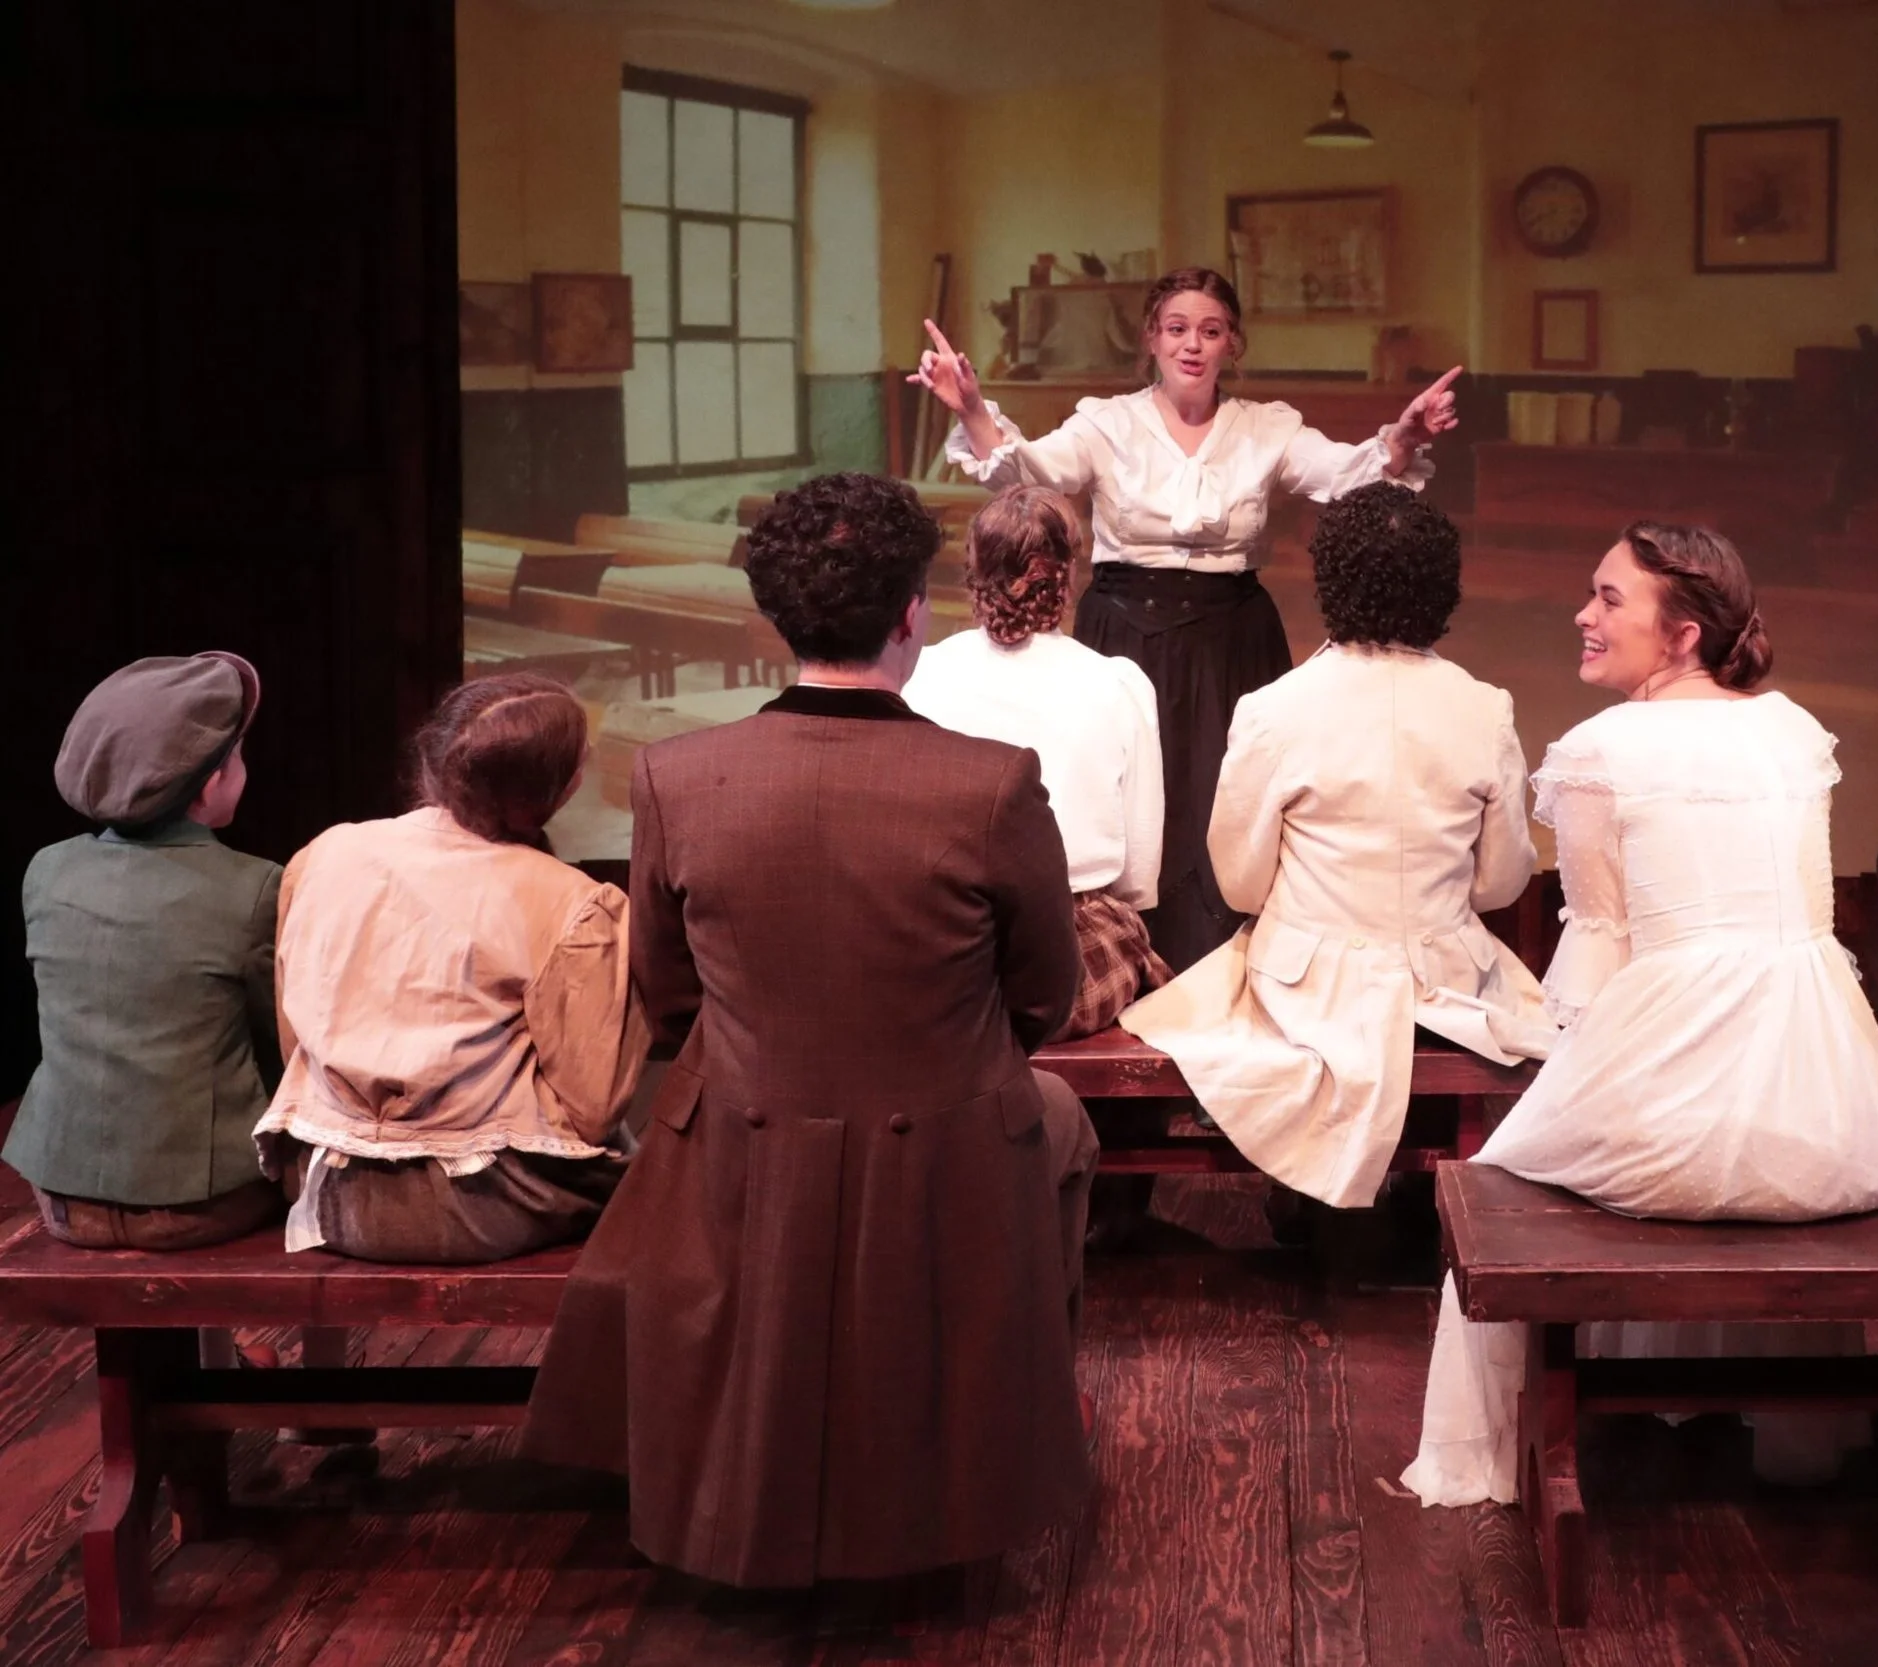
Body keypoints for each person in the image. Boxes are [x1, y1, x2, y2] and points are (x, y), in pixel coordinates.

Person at [524, 472, 1099, 1589]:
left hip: (745, 1126)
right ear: (912, 613)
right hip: (942, 1137)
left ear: (773, 615)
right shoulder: (991, 784)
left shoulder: (676, 774)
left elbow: (667, 992)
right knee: (1056, 1126)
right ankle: (995, 1441)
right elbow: (1042, 994)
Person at [1403, 524, 1878, 1504]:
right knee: (1687, 1092)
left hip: (1701, 1114)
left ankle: (1509, 1445)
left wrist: (1554, 1082)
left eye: (1608, 599)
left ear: (1682, 636)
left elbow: (1597, 961)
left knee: (1509, 1167)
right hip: (1833, 1108)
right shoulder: (1793, 729)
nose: (1583, 615)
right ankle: (1731, 1411)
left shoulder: (1606, 749)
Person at [915, 266, 1462, 971]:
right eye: (1177, 329)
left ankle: (1222, 969)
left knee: (1225, 800)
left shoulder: (1266, 427)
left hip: (1230, 637)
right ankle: (1133, 962)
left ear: (1233, 342)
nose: (1192, 345)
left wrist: (1404, 440)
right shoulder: (1106, 423)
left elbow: (1346, 475)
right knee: (1138, 798)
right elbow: (1030, 472)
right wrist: (971, 408)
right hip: (1126, 630)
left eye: (1210, 330)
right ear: (1151, 338)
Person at [1119, 484, 1546, 1215]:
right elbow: (1503, 881)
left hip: (1306, 985)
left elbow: (1241, 884)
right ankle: (1407, 1209)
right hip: (1443, 981)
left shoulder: (1274, 709)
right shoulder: (1484, 708)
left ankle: (1309, 1201)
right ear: (1441, 586)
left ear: (1331, 580)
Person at [252, 675, 646, 1263]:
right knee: (654, 1178)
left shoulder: (324, 854)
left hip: (326, 1190)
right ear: (562, 786)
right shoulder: (574, 903)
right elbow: (592, 1109)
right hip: (477, 1205)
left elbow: (297, 1044)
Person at [7, 652, 285, 1249]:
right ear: (209, 785)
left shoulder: (46, 870)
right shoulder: (256, 885)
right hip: (200, 1202)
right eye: (237, 757)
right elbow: (280, 1038)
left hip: (61, 1195)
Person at [905, 485, 1170, 1039]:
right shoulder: (1118, 685)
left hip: (943, 944)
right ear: (1068, 573)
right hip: (1068, 952)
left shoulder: (921, 675)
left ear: (974, 570)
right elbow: (1139, 879)